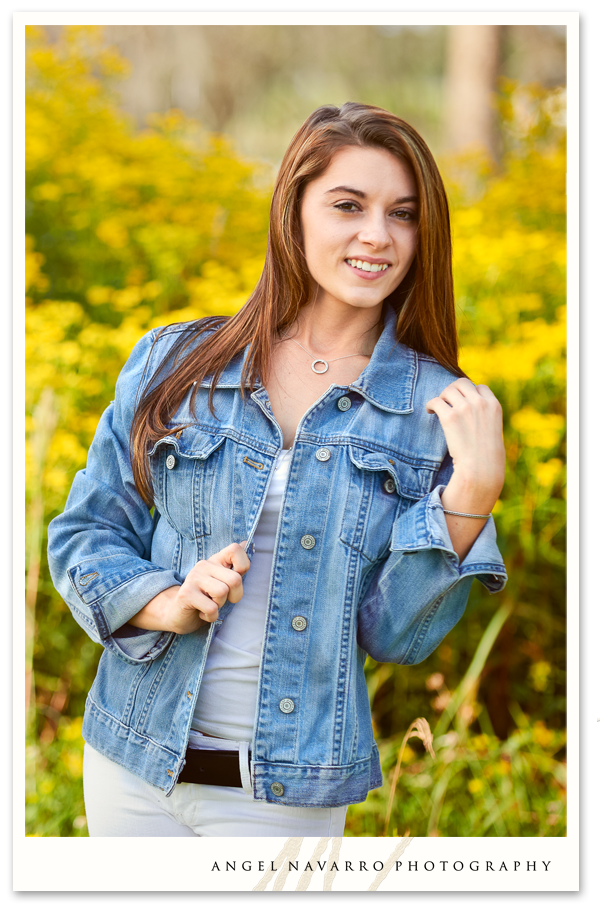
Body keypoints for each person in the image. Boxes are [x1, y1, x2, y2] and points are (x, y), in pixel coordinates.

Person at [47, 102, 507, 837]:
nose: (376, 235)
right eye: (348, 205)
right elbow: (86, 533)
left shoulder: (439, 412)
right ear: (292, 210)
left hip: (284, 797)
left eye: (403, 214)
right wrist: (165, 601)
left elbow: (396, 638)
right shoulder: (175, 361)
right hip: (131, 762)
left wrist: (472, 496)